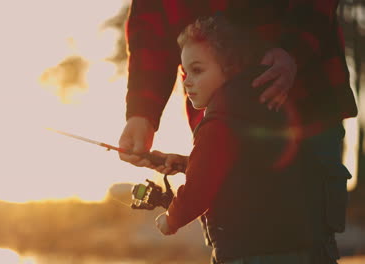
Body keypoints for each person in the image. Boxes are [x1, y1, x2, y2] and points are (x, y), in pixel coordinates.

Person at [119, 1, 357, 263]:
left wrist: (171, 220)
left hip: (308, 103)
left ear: (230, 70)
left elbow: (199, 191)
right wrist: (143, 113)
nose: (185, 81)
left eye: (196, 70)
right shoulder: (219, 126)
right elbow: (239, 170)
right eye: (185, 71)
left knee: (306, 240)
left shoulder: (217, 125)